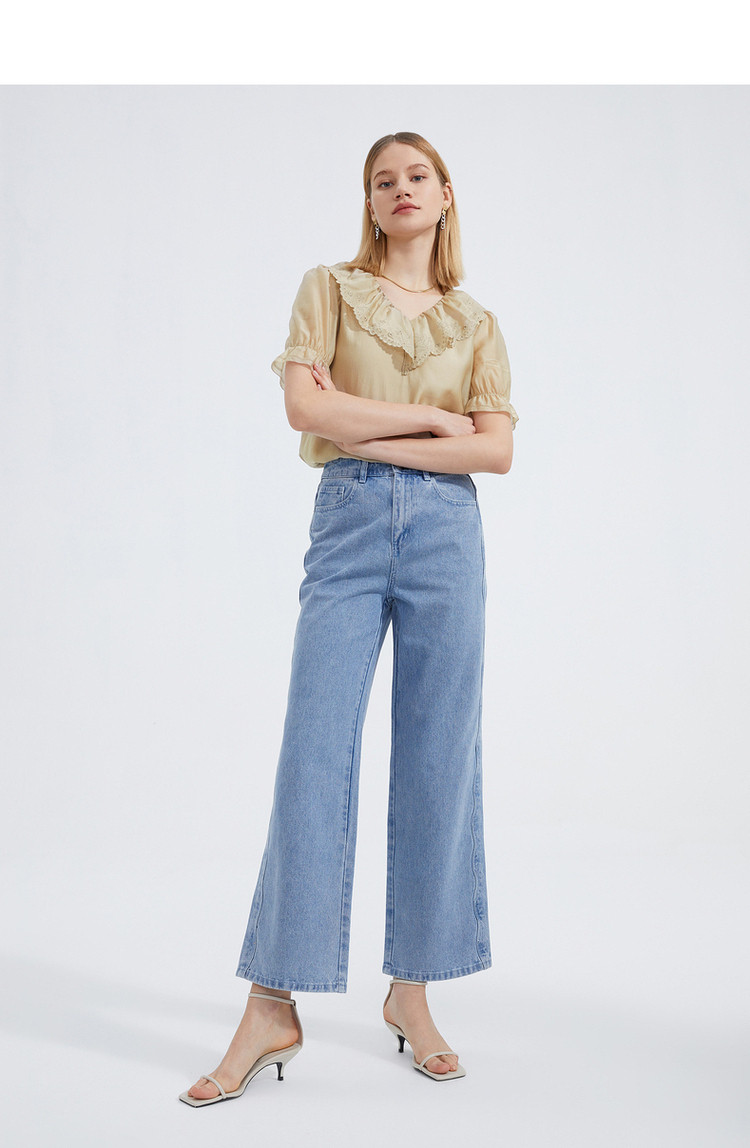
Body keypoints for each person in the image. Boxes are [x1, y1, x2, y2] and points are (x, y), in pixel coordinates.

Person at [180, 131, 518, 1106]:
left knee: (439, 752)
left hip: (450, 537)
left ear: (445, 195)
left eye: (417, 176)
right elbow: (304, 410)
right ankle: (270, 1003)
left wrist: (372, 425)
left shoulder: (477, 322)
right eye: (383, 180)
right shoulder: (328, 289)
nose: (401, 189)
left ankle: (413, 990)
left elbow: (496, 453)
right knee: (315, 749)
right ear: (370, 204)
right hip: (350, 525)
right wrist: (439, 423)